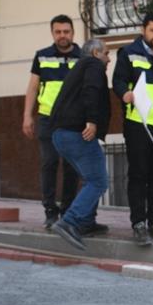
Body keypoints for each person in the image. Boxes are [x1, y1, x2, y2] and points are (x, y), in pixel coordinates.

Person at [112, 13, 153, 246]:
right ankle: (138, 223)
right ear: (144, 30)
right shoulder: (128, 53)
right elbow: (118, 81)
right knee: (139, 175)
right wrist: (124, 94)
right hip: (138, 123)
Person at [23, 15, 90, 233]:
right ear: (53, 33)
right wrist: (27, 116)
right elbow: (33, 87)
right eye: (58, 32)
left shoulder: (83, 56)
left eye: (66, 31)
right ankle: (50, 211)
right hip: (48, 119)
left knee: (71, 167)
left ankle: (68, 211)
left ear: (73, 32)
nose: (63, 35)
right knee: (49, 163)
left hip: (74, 121)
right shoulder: (42, 56)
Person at [48, 39, 112, 252]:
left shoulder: (79, 68)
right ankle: (70, 222)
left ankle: (86, 222)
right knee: (98, 180)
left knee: (89, 179)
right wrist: (92, 121)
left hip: (61, 134)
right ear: (95, 52)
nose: (109, 59)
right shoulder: (93, 65)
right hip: (77, 133)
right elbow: (91, 91)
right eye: (106, 53)